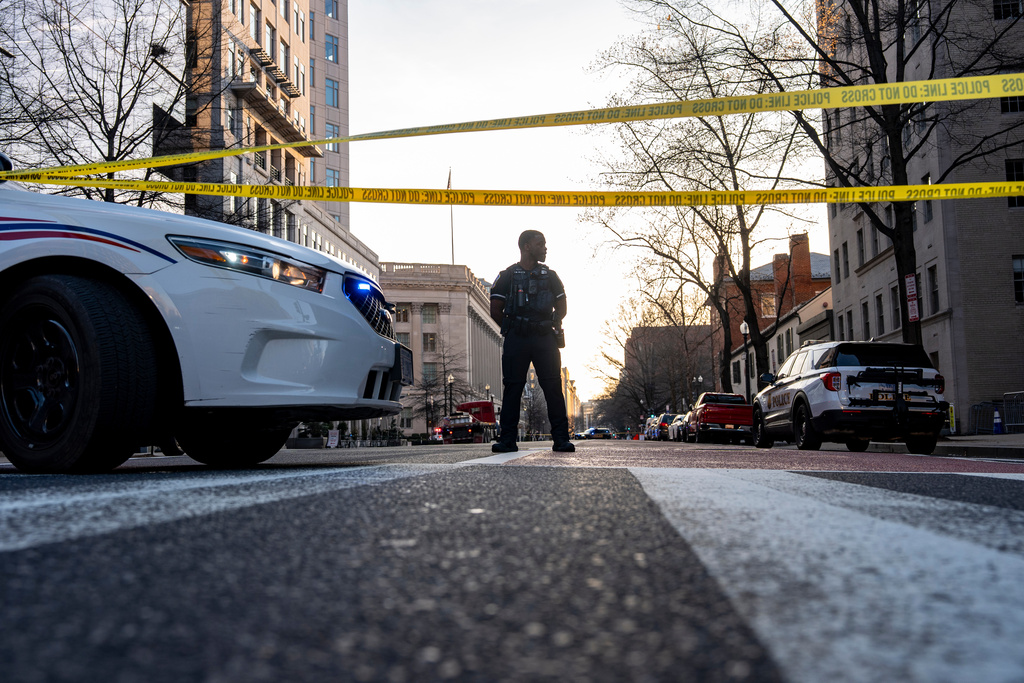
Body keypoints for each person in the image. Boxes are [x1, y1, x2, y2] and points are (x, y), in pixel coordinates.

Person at [489, 230, 575, 453]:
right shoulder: (507, 276)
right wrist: (513, 327)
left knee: (553, 387)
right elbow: (495, 309)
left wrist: (551, 323)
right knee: (513, 388)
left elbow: (562, 307)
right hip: (517, 337)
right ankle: (507, 439)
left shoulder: (551, 276)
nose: (545, 248)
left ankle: (561, 439)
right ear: (527, 246)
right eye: (540, 244)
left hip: (544, 337)